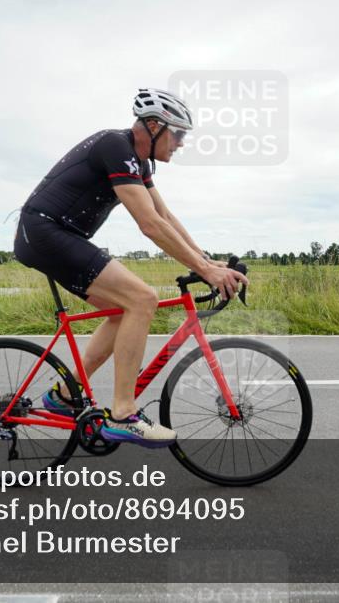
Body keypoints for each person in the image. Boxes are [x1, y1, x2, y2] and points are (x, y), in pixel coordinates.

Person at [13, 88, 248, 447]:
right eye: (179, 134)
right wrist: (206, 269)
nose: (181, 144)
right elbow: (149, 225)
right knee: (142, 299)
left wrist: (205, 262)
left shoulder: (140, 162)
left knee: (124, 310)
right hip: (44, 231)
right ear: (154, 126)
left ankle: (64, 394)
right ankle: (123, 413)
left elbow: (164, 215)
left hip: (57, 234)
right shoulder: (115, 146)